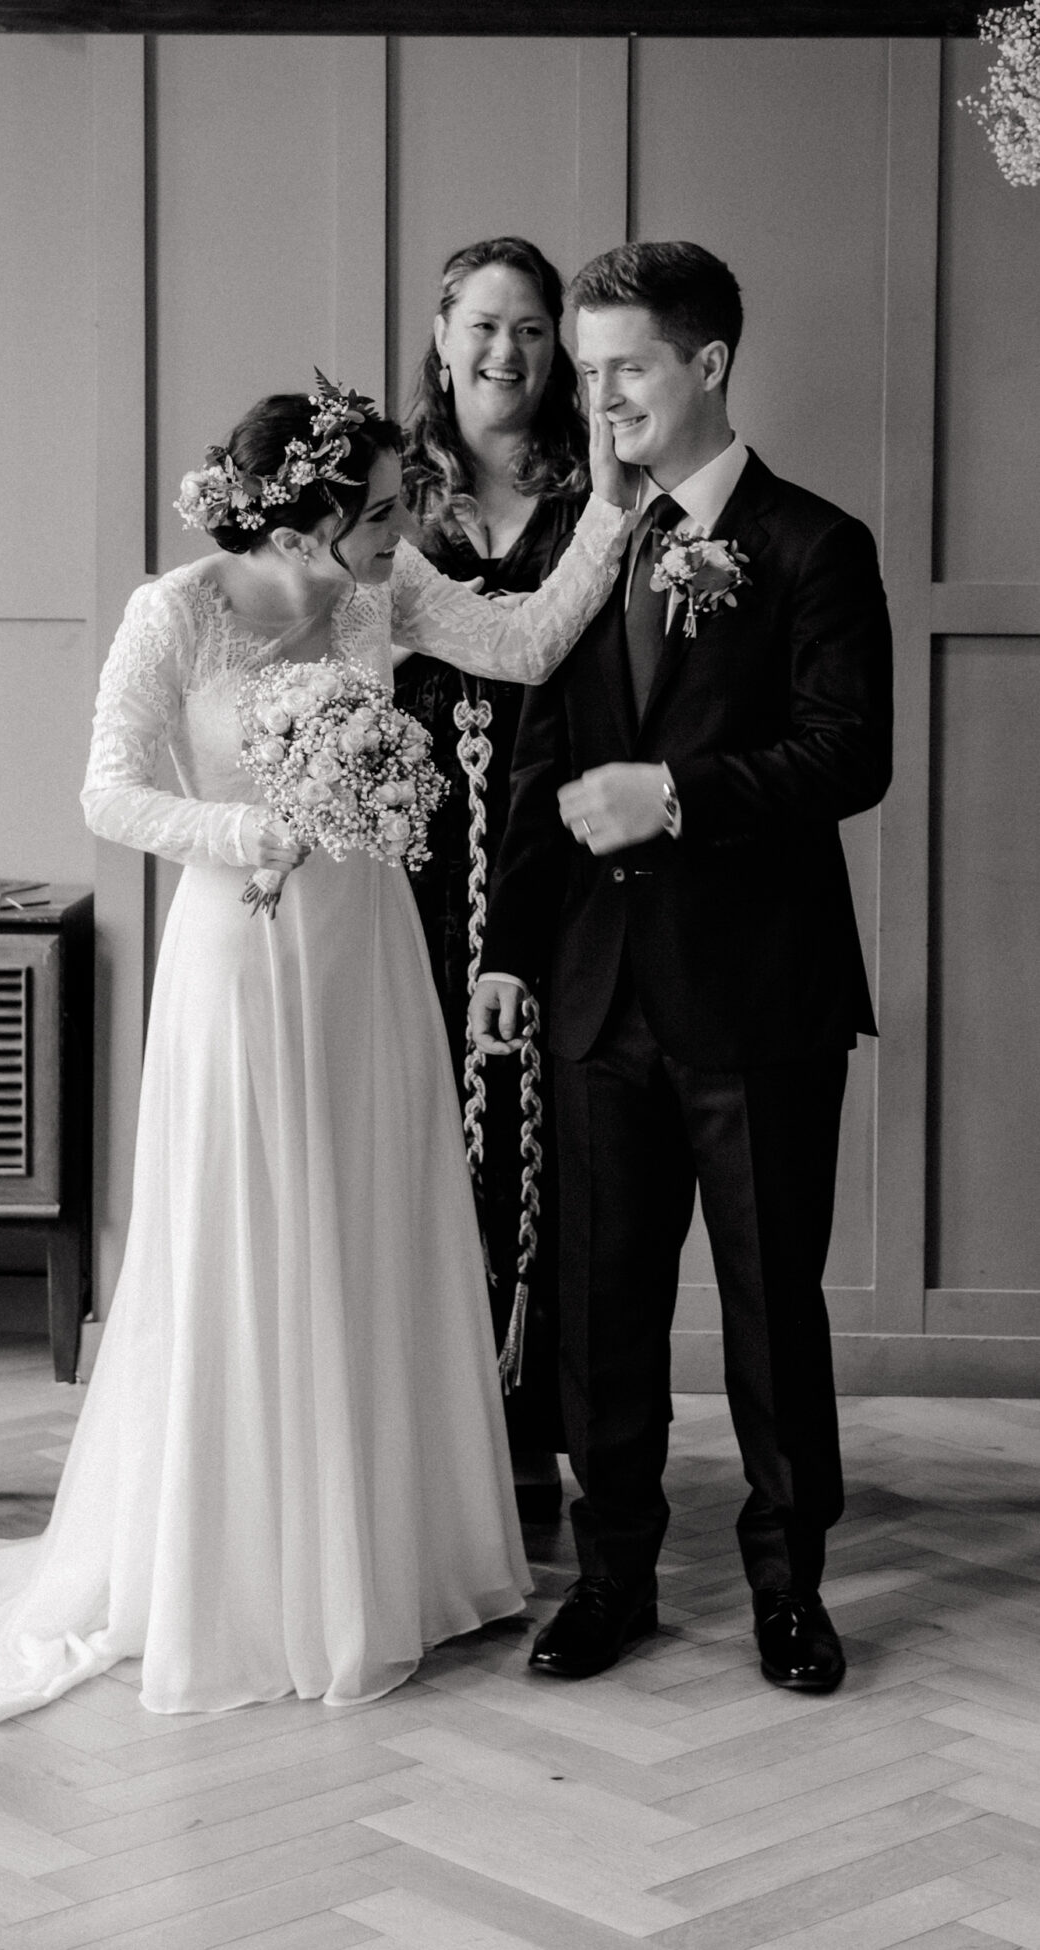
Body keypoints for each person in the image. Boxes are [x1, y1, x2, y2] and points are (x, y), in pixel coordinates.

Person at [0, 377, 631, 1733]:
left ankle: (384, 1561)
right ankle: (240, 1574)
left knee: (366, 1223)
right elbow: (108, 789)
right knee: (245, 1229)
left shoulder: (383, 594)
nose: (402, 532)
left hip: (367, 959)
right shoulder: (175, 612)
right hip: (239, 953)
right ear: (297, 526)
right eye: (379, 513)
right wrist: (243, 831)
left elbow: (522, 643)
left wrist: (614, 513)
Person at [470, 242, 893, 1695]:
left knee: (772, 1306)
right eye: (586, 371)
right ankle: (613, 1579)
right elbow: (537, 766)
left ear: (707, 364)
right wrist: (509, 952)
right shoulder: (580, 545)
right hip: (594, 995)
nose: (598, 398)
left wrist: (675, 794)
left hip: (760, 994)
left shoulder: (815, 544)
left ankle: (790, 1588)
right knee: (602, 1313)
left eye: (626, 367)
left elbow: (850, 752)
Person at [397, 237, 590, 1524]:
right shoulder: (386, 493)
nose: (504, 352)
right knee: (417, 1127)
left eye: (529, 327)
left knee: (553, 1137)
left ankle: (530, 1425)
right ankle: (422, 1431)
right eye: (483, 324)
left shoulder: (598, 488)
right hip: (412, 860)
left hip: (557, 850)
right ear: (441, 332)